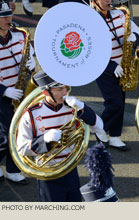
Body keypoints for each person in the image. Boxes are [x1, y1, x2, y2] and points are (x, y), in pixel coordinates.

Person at [16, 70, 108, 202]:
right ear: (46, 92)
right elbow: (21, 148)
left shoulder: (73, 107)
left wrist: (83, 108)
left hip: (70, 169)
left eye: (65, 87)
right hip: (47, 173)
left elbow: (99, 127)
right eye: (59, 89)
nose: (65, 92)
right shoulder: (31, 114)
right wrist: (44, 140)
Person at [84, 0, 139, 150]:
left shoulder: (120, 13)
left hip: (123, 64)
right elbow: (91, 51)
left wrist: (134, 39)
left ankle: (115, 136)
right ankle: (100, 129)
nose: (108, 0)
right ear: (94, 2)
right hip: (103, 68)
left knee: (121, 102)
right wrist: (110, 66)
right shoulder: (90, 22)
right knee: (114, 102)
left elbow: (136, 30)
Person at [0, 0, 36, 184]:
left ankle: (13, 170)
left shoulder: (21, 35)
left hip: (21, 91)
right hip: (3, 95)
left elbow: (29, 60)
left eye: (9, 15)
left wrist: (32, 63)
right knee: (8, 135)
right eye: (3, 17)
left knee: (18, 132)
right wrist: (4, 91)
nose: (8, 19)